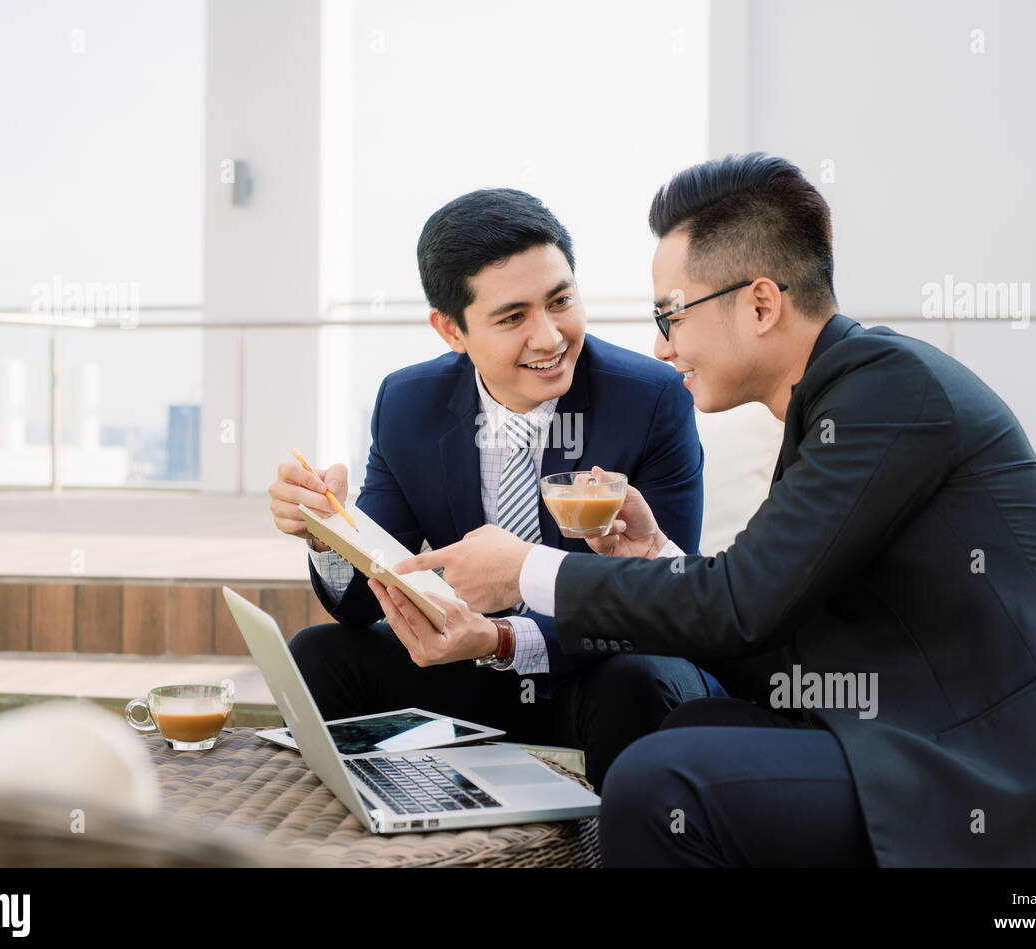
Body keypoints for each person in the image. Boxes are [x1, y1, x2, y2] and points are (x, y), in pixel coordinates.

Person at [389, 154, 1036, 866]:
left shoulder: (887, 391)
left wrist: (524, 570)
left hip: (1016, 767)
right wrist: (657, 557)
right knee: (690, 735)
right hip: (919, 730)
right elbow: (770, 620)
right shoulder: (834, 405)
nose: (662, 347)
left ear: (760, 303)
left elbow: (741, 604)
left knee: (662, 787)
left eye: (671, 314)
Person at [268, 187, 714, 791]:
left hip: (595, 670)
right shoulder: (407, 402)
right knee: (320, 654)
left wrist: (507, 640)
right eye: (513, 318)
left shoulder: (651, 398)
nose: (551, 337)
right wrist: (328, 531)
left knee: (641, 677)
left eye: (561, 301)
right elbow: (368, 600)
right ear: (451, 330)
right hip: (465, 668)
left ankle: (616, 846)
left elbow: (658, 605)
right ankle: (372, 842)